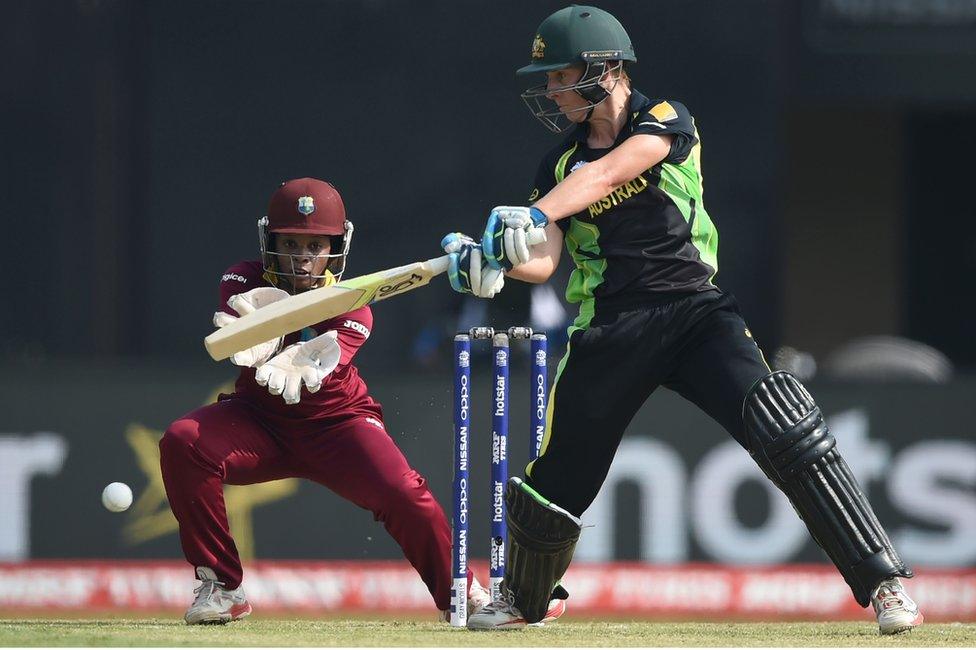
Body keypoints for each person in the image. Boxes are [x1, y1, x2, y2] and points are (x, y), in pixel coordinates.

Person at [443, 5, 923, 634]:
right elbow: (547, 258)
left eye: (559, 75)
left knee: (787, 432)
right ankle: (522, 602)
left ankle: (885, 584)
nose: (551, 91)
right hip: (611, 325)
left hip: (696, 312)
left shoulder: (664, 119)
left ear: (602, 69)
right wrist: (494, 265)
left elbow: (615, 169)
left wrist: (529, 217)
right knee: (557, 477)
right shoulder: (555, 166)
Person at [158, 177, 492, 624]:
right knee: (184, 442)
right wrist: (262, 332)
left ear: (336, 246)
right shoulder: (241, 279)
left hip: (338, 426)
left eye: (315, 245)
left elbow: (318, 367)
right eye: (292, 243)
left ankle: (461, 592)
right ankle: (222, 587)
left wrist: (294, 350)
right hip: (259, 421)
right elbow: (239, 322)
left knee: (403, 493)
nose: (302, 256)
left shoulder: (355, 307)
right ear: (269, 240)